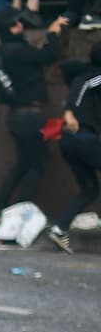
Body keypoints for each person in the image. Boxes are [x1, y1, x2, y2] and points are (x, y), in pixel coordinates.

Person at [0, 9, 69, 251]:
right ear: (8, 29)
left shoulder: (9, 49)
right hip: (28, 117)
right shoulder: (17, 50)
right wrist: (53, 33)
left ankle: (0, 204)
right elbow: (49, 55)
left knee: (24, 163)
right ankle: (23, 208)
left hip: (19, 117)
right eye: (15, 25)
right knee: (36, 164)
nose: (20, 26)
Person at [56, 43, 101, 246]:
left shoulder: (85, 73)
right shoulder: (92, 78)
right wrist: (68, 110)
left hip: (70, 142)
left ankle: (59, 229)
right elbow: (82, 84)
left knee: (90, 189)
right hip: (82, 138)